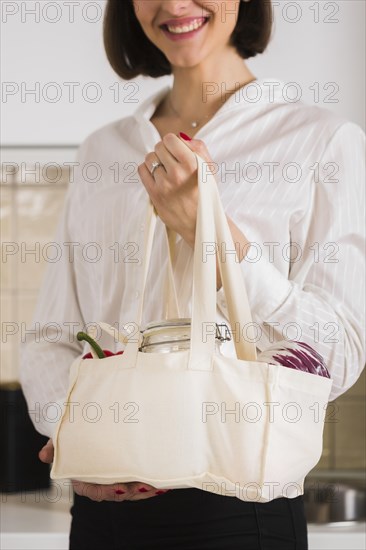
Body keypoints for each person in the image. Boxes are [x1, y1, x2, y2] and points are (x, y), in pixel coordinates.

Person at [20, 0, 365, 548]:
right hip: (101, 513)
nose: (175, 4)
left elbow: (338, 349)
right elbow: (49, 337)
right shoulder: (102, 151)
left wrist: (211, 235)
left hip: (236, 512)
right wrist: (80, 432)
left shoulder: (321, 142)